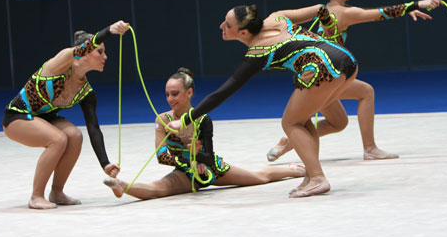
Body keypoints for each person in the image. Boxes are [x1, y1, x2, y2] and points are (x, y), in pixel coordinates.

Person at [160, 3, 370, 198]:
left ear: (243, 33)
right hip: (348, 60)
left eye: (228, 24)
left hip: (322, 68)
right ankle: (312, 174)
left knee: (290, 122)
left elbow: (222, 93)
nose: (221, 25)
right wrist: (333, 37)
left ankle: (317, 177)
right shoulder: (278, 17)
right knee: (301, 119)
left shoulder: (258, 52)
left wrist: (185, 120)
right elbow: (321, 9)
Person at [266, 0, 441, 162]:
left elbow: (376, 12)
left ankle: (287, 143)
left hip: (316, 74)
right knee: (366, 92)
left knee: (338, 122)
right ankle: (370, 148)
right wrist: (417, 4)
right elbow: (379, 14)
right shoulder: (342, 13)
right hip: (325, 75)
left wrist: (409, 8)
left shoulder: (329, 10)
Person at [103, 68, 305, 200]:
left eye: (175, 94)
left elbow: (208, 155)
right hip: (185, 172)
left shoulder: (202, 120)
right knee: (157, 189)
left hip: (213, 169)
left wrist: (197, 157)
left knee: (259, 177)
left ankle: (294, 169)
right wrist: (189, 161)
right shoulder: (162, 120)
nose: (170, 99)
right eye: (167, 94)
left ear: (189, 93)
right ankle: (121, 185)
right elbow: (161, 156)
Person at [2, 20, 130, 209]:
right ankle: (36, 196)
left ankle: (57, 192)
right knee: (58, 139)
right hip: (17, 116)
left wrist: (105, 163)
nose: (105, 57)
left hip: (44, 118)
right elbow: (86, 46)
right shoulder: (62, 62)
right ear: (85, 53)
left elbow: (93, 128)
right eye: (100, 52)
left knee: (75, 136)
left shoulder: (86, 91)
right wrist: (109, 31)